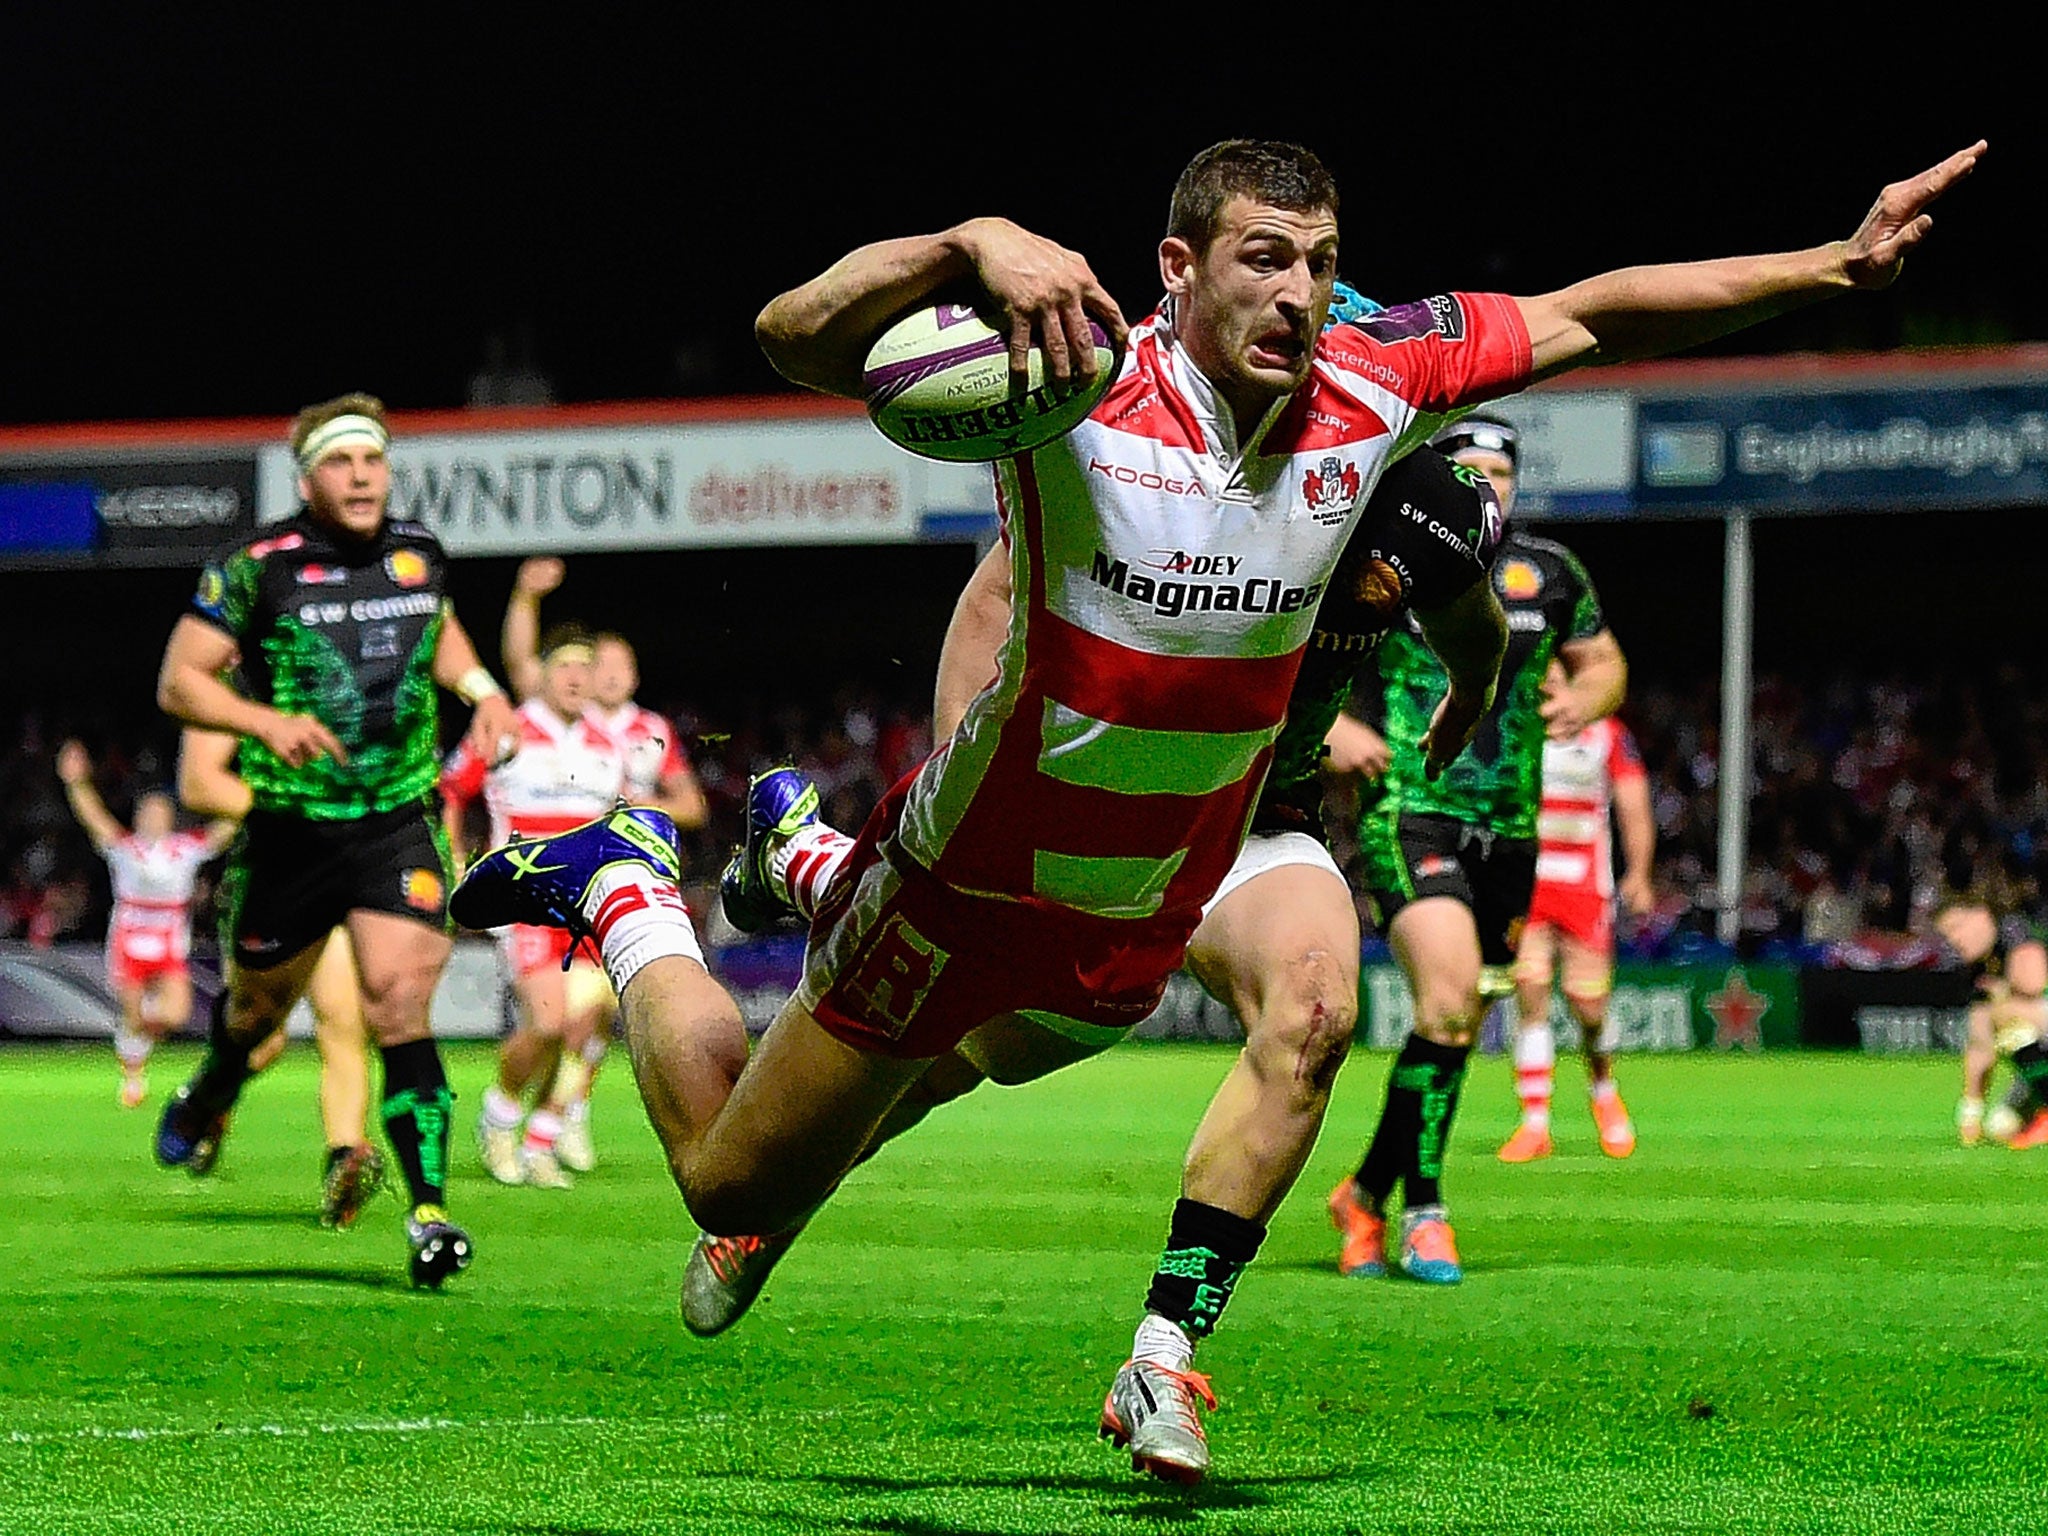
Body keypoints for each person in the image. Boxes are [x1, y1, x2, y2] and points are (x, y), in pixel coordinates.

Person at [450, 136, 1987, 1475]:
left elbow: (1600, 304)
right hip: (972, 883)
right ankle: (632, 879)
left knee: (1198, 1035)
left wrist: (1833, 267)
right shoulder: (1071, 375)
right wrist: (958, 244)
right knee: (730, 1174)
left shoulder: (1378, 379)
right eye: (1264, 259)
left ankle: (1150, 1338)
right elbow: (795, 342)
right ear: (1178, 267)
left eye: (1321, 263)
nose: (1300, 293)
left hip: (1151, 900)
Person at [153, 391, 520, 1288]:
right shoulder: (253, 567)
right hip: (288, 834)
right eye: (341, 461)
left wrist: (485, 689)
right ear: (307, 476)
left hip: (396, 822)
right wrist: (260, 722)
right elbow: (179, 682)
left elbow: (442, 634)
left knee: (398, 1001)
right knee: (257, 1013)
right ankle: (219, 1083)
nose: (361, 475)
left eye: (373, 460)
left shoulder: (417, 553)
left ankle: (429, 1212)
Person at [1327, 416, 1630, 1284]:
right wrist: (1340, 731)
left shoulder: (1552, 571)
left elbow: (1604, 661)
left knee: (1453, 1028)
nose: (1488, 484)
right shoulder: (1378, 559)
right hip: (1410, 809)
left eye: (1502, 471)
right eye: (1470, 470)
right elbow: (1291, 660)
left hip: (1513, 828)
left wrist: (1591, 700)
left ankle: (1364, 1194)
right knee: (1451, 1000)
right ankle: (1425, 1213)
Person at [500, 555, 707, 1171]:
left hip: (623, 888)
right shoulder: (573, 723)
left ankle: (560, 1121)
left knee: (595, 1020)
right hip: (554, 889)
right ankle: (528, 1119)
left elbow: (691, 803)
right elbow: (519, 670)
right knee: (557, 1018)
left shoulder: (650, 730)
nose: (605, 675)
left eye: (617, 665)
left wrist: (639, 805)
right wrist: (525, 600)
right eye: (597, 665)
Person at [178, 727, 388, 1226]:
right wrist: (291, 813)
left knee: (343, 1025)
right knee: (262, 1038)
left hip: (343, 876)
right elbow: (201, 782)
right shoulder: (256, 683)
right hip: (272, 877)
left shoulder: (361, 690)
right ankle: (215, 1095)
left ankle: (344, 1161)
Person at [442, 623, 626, 1189]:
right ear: (542, 674)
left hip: (587, 906)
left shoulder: (605, 746)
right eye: (564, 666)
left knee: (583, 1029)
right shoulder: (507, 728)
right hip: (523, 900)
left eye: (584, 668)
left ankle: (542, 1139)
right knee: (547, 1020)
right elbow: (451, 791)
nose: (575, 678)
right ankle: (499, 1118)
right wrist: (454, 860)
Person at [1497, 671, 1656, 1162]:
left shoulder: (1607, 733)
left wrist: (1640, 873)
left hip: (1585, 888)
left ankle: (1603, 1090)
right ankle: (1534, 1123)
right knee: (1531, 995)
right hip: (1528, 885)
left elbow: (1632, 804)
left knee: (1589, 1009)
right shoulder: (1517, 726)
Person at [55, 740, 235, 1108]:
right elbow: (94, 817)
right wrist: (76, 784)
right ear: (138, 817)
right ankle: (133, 1078)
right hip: (129, 940)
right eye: (147, 812)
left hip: (169, 944)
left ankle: (140, 1031)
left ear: (169, 818)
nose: (152, 817)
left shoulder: (185, 849)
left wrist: (247, 794)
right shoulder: (125, 849)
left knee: (176, 1014)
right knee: (132, 1014)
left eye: (159, 812)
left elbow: (224, 830)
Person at [1937, 897, 2048, 1147]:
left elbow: (2034, 983)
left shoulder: (2015, 931)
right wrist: (1970, 1112)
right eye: (1947, 934)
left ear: (1981, 916)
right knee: (2001, 1126)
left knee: (2008, 1013)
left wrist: (2002, 992)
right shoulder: (1979, 969)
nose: (1954, 940)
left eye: (1957, 927)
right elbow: (1980, 1044)